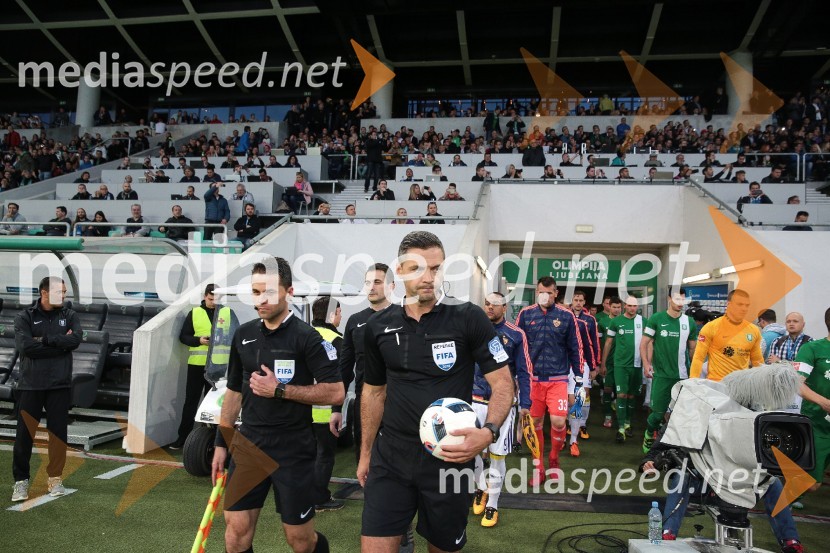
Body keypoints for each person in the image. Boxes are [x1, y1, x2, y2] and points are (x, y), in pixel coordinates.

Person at [358, 231, 513, 552]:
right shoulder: (378, 326)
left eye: (436, 268)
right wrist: (365, 453)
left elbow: (503, 383)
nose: (429, 277)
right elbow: (373, 393)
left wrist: (488, 433)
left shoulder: (468, 317)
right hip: (392, 458)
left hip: (449, 459)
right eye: (417, 268)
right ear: (400, 271)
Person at [211, 258, 343, 553]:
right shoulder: (244, 335)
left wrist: (280, 390)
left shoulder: (307, 337)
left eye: (269, 292)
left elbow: (336, 392)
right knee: (235, 533)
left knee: (300, 541)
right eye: (256, 292)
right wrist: (221, 441)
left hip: (293, 448)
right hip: (249, 443)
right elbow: (234, 391)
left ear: (289, 292)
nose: (261, 300)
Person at [639, 414, 803, 552]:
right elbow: (658, 448)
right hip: (703, 483)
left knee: (773, 482)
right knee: (682, 476)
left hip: (738, 482)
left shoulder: (741, 418)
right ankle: (668, 533)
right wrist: (649, 462)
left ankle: (790, 540)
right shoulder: (687, 416)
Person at [11, 277, 82, 502]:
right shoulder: (25, 317)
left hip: (59, 385)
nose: (64, 295)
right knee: (24, 435)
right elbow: (26, 347)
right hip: (30, 385)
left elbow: (76, 340)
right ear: (44, 293)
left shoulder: (69, 315)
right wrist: (60, 345)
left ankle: (55, 478)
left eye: (65, 291)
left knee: (58, 435)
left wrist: (43, 340)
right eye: (60, 292)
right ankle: (21, 481)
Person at [515, 277, 584, 484]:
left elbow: (575, 346)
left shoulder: (566, 315)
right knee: (534, 422)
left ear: (556, 293)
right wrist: (514, 374)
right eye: (540, 292)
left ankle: (554, 458)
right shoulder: (526, 314)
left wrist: (578, 377)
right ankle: (539, 467)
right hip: (532, 380)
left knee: (559, 421)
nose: (544, 296)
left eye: (548, 292)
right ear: (537, 293)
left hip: (558, 378)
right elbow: (516, 345)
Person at [471, 292, 531, 528]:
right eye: (486, 304)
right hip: (475, 399)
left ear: (504, 308)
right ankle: (480, 488)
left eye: (495, 305)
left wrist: (526, 403)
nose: (490, 308)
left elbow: (525, 370)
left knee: (497, 456)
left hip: (504, 404)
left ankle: (493, 505)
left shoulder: (516, 334)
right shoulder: (474, 330)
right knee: (474, 452)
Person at [336, 264, 394, 470]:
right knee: (365, 460)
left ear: (391, 286)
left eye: (377, 282)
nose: (371, 287)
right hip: (365, 402)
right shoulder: (355, 321)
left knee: (396, 461)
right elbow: (345, 368)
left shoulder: (403, 317)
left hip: (397, 401)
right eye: (367, 282)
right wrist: (336, 409)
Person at [171, 285, 231, 449]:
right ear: (205, 296)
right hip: (197, 365)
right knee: (191, 401)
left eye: (217, 299)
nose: (213, 302)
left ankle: (218, 441)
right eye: (211, 299)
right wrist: (199, 341)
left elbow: (235, 335)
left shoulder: (227, 313)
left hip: (218, 366)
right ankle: (183, 438)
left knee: (217, 404)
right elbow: (183, 337)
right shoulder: (195, 313)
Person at [639, 289, 698, 453]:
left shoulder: (689, 322)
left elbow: (693, 349)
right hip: (662, 375)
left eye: (683, 299)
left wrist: (693, 370)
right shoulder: (656, 319)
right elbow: (644, 343)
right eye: (677, 299)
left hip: (683, 376)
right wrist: (646, 364)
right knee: (657, 414)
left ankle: (672, 445)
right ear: (670, 299)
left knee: (679, 414)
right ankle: (649, 433)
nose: (680, 303)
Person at [310, 296, 345, 512]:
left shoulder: (302, 334)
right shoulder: (336, 340)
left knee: (305, 455)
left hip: (300, 409)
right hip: (325, 410)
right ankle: (319, 498)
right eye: (339, 312)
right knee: (325, 456)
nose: (340, 317)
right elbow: (340, 378)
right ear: (332, 315)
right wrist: (337, 409)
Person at [689, 289, 763, 381]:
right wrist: (693, 381)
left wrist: (762, 383)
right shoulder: (711, 327)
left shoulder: (754, 330)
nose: (744, 309)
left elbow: (757, 361)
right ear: (729, 304)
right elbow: (698, 358)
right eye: (740, 304)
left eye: (747, 305)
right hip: (717, 384)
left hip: (741, 385)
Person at [795, 307, 830, 496]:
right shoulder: (812, 349)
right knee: (811, 484)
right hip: (817, 426)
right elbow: (797, 384)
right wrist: (825, 403)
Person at [601, 296, 644, 444]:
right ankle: (620, 429)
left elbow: (649, 342)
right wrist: (603, 363)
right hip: (620, 365)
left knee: (632, 396)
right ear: (625, 306)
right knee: (621, 395)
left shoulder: (643, 321)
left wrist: (648, 363)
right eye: (630, 305)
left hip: (637, 365)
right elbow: (608, 343)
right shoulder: (616, 322)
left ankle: (627, 423)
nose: (632, 308)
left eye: (634, 306)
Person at [567, 290, 600, 453]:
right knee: (567, 398)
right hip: (563, 364)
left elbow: (592, 343)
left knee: (582, 396)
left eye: (581, 300)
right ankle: (568, 426)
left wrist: (595, 365)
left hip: (582, 363)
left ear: (584, 302)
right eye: (576, 300)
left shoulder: (589, 320)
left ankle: (580, 427)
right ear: (571, 301)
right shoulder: (564, 317)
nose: (578, 303)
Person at [598, 296, 622, 428]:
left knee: (621, 392)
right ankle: (607, 416)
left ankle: (622, 419)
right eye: (614, 307)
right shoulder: (602, 322)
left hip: (622, 363)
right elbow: (598, 343)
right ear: (609, 307)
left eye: (619, 307)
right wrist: (601, 362)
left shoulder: (625, 321)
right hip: (608, 362)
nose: (616, 310)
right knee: (607, 389)